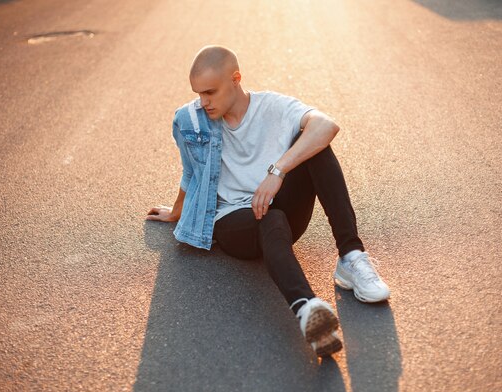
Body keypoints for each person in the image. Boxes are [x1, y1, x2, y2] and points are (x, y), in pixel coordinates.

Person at [146, 45, 390, 357]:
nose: (203, 102)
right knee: (269, 218)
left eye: (210, 92)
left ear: (236, 78)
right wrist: (177, 212)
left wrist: (278, 171)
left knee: (318, 148)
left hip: (282, 209)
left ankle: (351, 258)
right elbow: (192, 171)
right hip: (235, 222)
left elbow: (326, 126)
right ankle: (308, 310)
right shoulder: (189, 120)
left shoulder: (272, 107)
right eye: (198, 94)